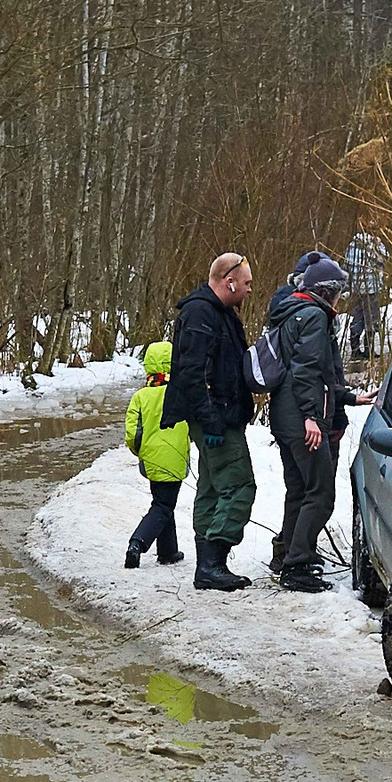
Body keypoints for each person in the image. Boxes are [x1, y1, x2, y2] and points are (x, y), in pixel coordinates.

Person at [265, 253, 369, 594]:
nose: (341, 298)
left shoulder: (292, 311)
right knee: (321, 494)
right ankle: (298, 565)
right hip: (301, 420)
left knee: (298, 490)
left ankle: (290, 559)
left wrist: (350, 398)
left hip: (284, 416)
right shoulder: (313, 316)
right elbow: (306, 371)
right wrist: (311, 417)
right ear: (329, 291)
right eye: (339, 291)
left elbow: (317, 373)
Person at [166, 252, 257, 592]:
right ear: (229, 280)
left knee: (211, 486)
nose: (249, 290)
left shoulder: (219, 312)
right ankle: (213, 562)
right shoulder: (201, 312)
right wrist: (211, 422)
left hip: (220, 414)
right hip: (215, 417)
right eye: (246, 283)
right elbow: (190, 373)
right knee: (239, 486)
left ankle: (207, 566)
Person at [122, 340, 188, 569]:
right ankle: (137, 543)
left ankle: (168, 551)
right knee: (163, 505)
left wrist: (140, 451)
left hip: (150, 459)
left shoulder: (141, 396)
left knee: (162, 502)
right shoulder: (181, 392)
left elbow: (132, 433)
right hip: (176, 457)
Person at [344, 230, 385, 361]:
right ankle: (369, 350)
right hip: (371, 289)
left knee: (357, 318)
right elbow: (383, 259)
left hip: (356, 290)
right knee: (371, 320)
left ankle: (355, 350)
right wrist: (379, 245)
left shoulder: (351, 247)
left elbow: (346, 267)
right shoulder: (373, 247)